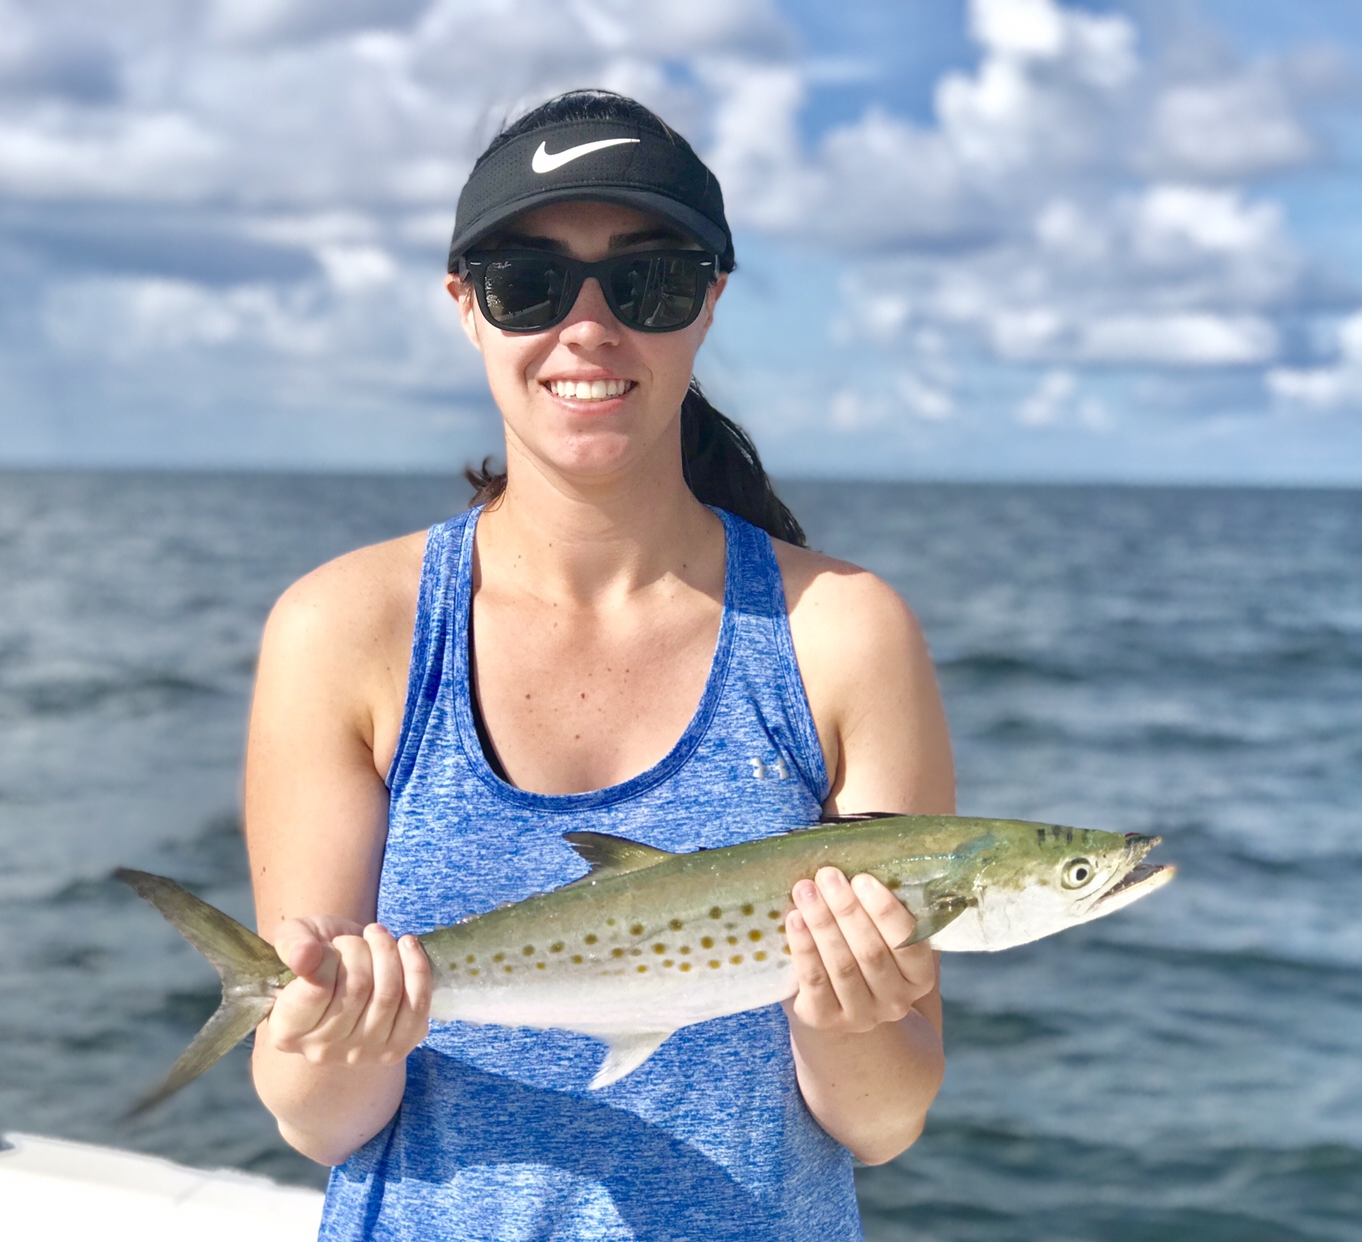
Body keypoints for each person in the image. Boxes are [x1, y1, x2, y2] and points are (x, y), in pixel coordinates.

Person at [244, 89, 955, 1241]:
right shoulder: (343, 628)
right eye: (531, 282)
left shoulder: (844, 631)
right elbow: (317, 1121)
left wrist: (849, 1013)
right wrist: (334, 1036)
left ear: (708, 305)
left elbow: (883, 1121)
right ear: (466, 306)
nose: (588, 329)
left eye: (648, 283)